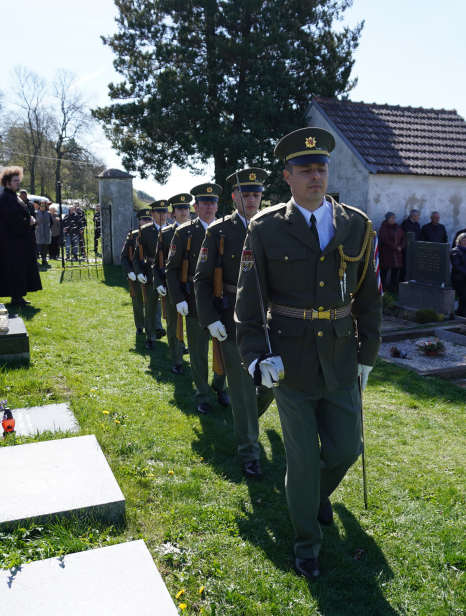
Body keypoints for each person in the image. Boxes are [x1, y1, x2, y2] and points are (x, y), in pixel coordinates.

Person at [234, 127, 382, 580]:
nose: (315, 176)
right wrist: (257, 356)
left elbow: (369, 296)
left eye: (321, 168)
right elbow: (249, 302)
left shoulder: (356, 224)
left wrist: (367, 355)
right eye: (305, 170)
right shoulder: (265, 228)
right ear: (288, 176)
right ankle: (306, 546)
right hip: (290, 363)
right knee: (300, 459)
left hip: (339, 358)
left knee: (345, 448)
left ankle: (315, 496)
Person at [195, 169, 276, 480]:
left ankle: (246, 423)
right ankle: (249, 452)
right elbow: (201, 279)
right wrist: (210, 318)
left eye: (256, 194)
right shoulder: (218, 231)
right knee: (242, 390)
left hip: (270, 318)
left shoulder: (273, 226)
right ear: (234, 197)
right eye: (246, 194)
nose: (252, 199)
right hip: (232, 319)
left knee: (272, 384)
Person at [166, 186, 228, 414]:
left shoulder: (226, 229)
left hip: (222, 300)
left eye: (213, 203)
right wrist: (178, 299)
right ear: (196, 207)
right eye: (205, 204)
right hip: (193, 300)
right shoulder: (184, 233)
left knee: (226, 348)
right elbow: (171, 270)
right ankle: (202, 394)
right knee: (198, 351)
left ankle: (220, 385)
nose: (210, 208)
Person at [0, 167, 43, 306]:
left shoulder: (12, 196)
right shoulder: (6, 197)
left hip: (18, 239)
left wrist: (29, 221)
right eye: (15, 181)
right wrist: (28, 221)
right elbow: (12, 218)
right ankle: (16, 297)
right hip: (11, 241)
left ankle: (19, 296)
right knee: (15, 267)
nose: (18, 182)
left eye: (18, 180)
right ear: (7, 182)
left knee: (20, 267)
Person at [157, 195, 192, 373]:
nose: (183, 212)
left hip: (193, 285)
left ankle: (192, 354)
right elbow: (158, 262)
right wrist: (159, 283)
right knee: (174, 324)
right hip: (173, 285)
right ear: (173, 213)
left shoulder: (198, 230)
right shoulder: (165, 233)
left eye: (186, 208)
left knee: (194, 324)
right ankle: (177, 359)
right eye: (180, 209)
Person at [133, 200, 169, 349]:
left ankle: (177, 340)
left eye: (164, 212)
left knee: (172, 309)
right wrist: (138, 272)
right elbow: (136, 255)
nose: (162, 215)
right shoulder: (145, 231)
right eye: (158, 212)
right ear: (152, 214)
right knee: (151, 306)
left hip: (169, 272)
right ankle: (151, 337)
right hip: (150, 272)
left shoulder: (174, 230)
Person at [121, 209, 152, 334]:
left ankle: (153, 325)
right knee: (138, 300)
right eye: (144, 219)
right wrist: (129, 272)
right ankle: (140, 325)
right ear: (139, 221)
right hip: (135, 273)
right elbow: (124, 256)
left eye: (149, 219)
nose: (146, 222)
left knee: (152, 301)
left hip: (150, 273)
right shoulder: (133, 235)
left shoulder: (155, 234)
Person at [377, 211, 406, 293]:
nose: (393, 219)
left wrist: (401, 247)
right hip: (387, 253)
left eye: (394, 217)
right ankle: (383, 286)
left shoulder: (398, 227)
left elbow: (403, 238)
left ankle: (393, 286)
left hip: (397, 254)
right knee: (385, 270)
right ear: (387, 219)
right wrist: (395, 247)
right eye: (391, 217)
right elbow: (385, 239)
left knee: (396, 270)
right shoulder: (384, 227)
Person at [35, 201, 52, 267]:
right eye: (41, 206)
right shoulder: (36, 213)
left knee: (46, 244)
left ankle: (45, 257)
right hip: (39, 230)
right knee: (41, 244)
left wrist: (49, 227)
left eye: (44, 206)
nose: (43, 207)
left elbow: (51, 221)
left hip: (46, 230)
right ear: (39, 206)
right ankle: (42, 257)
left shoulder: (48, 213)